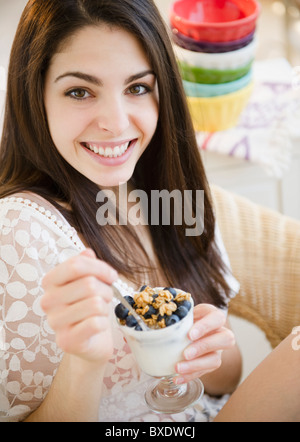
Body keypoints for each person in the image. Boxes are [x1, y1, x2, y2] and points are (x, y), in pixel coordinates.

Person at [0, 0, 299, 423]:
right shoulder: (20, 231)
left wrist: (213, 346)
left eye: (137, 87)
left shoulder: (171, 199)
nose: (116, 122)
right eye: (80, 91)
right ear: (36, 97)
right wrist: (84, 361)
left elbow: (222, 384)